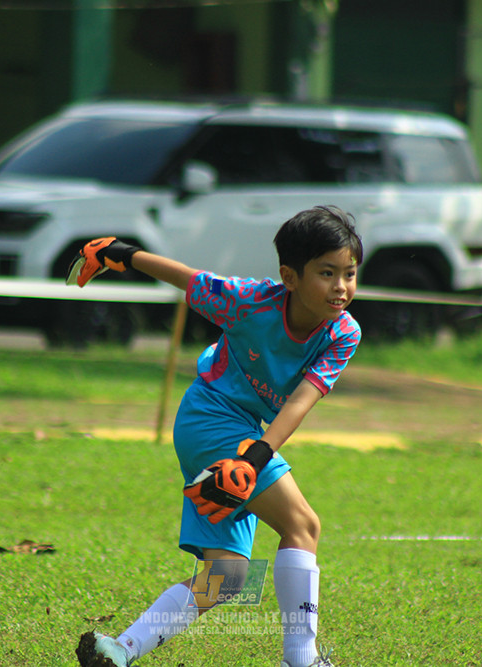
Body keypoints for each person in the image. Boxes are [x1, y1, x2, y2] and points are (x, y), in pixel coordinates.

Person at [70, 205, 363, 667]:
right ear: (289, 276)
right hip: (211, 417)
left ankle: (121, 650)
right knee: (303, 525)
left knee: (227, 577)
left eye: (349, 273)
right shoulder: (250, 301)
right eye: (327, 273)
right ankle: (302, 661)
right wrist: (122, 254)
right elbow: (190, 280)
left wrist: (255, 457)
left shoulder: (343, 333)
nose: (341, 287)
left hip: (244, 438)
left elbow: (301, 401)